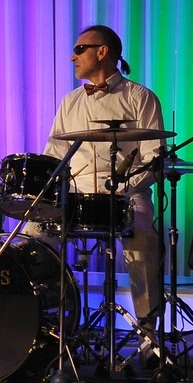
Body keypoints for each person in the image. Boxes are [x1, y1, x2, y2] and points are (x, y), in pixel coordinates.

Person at [42, 24, 165, 329]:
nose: (72, 57)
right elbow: (54, 155)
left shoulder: (140, 97)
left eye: (79, 49)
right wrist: (48, 191)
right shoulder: (70, 101)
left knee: (143, 241)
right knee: (35, 235)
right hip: (77, 191)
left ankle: (148, 336)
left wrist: (126, 187)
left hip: (126, 192)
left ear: (102, 51)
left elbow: (154, 158)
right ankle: (47, 324)